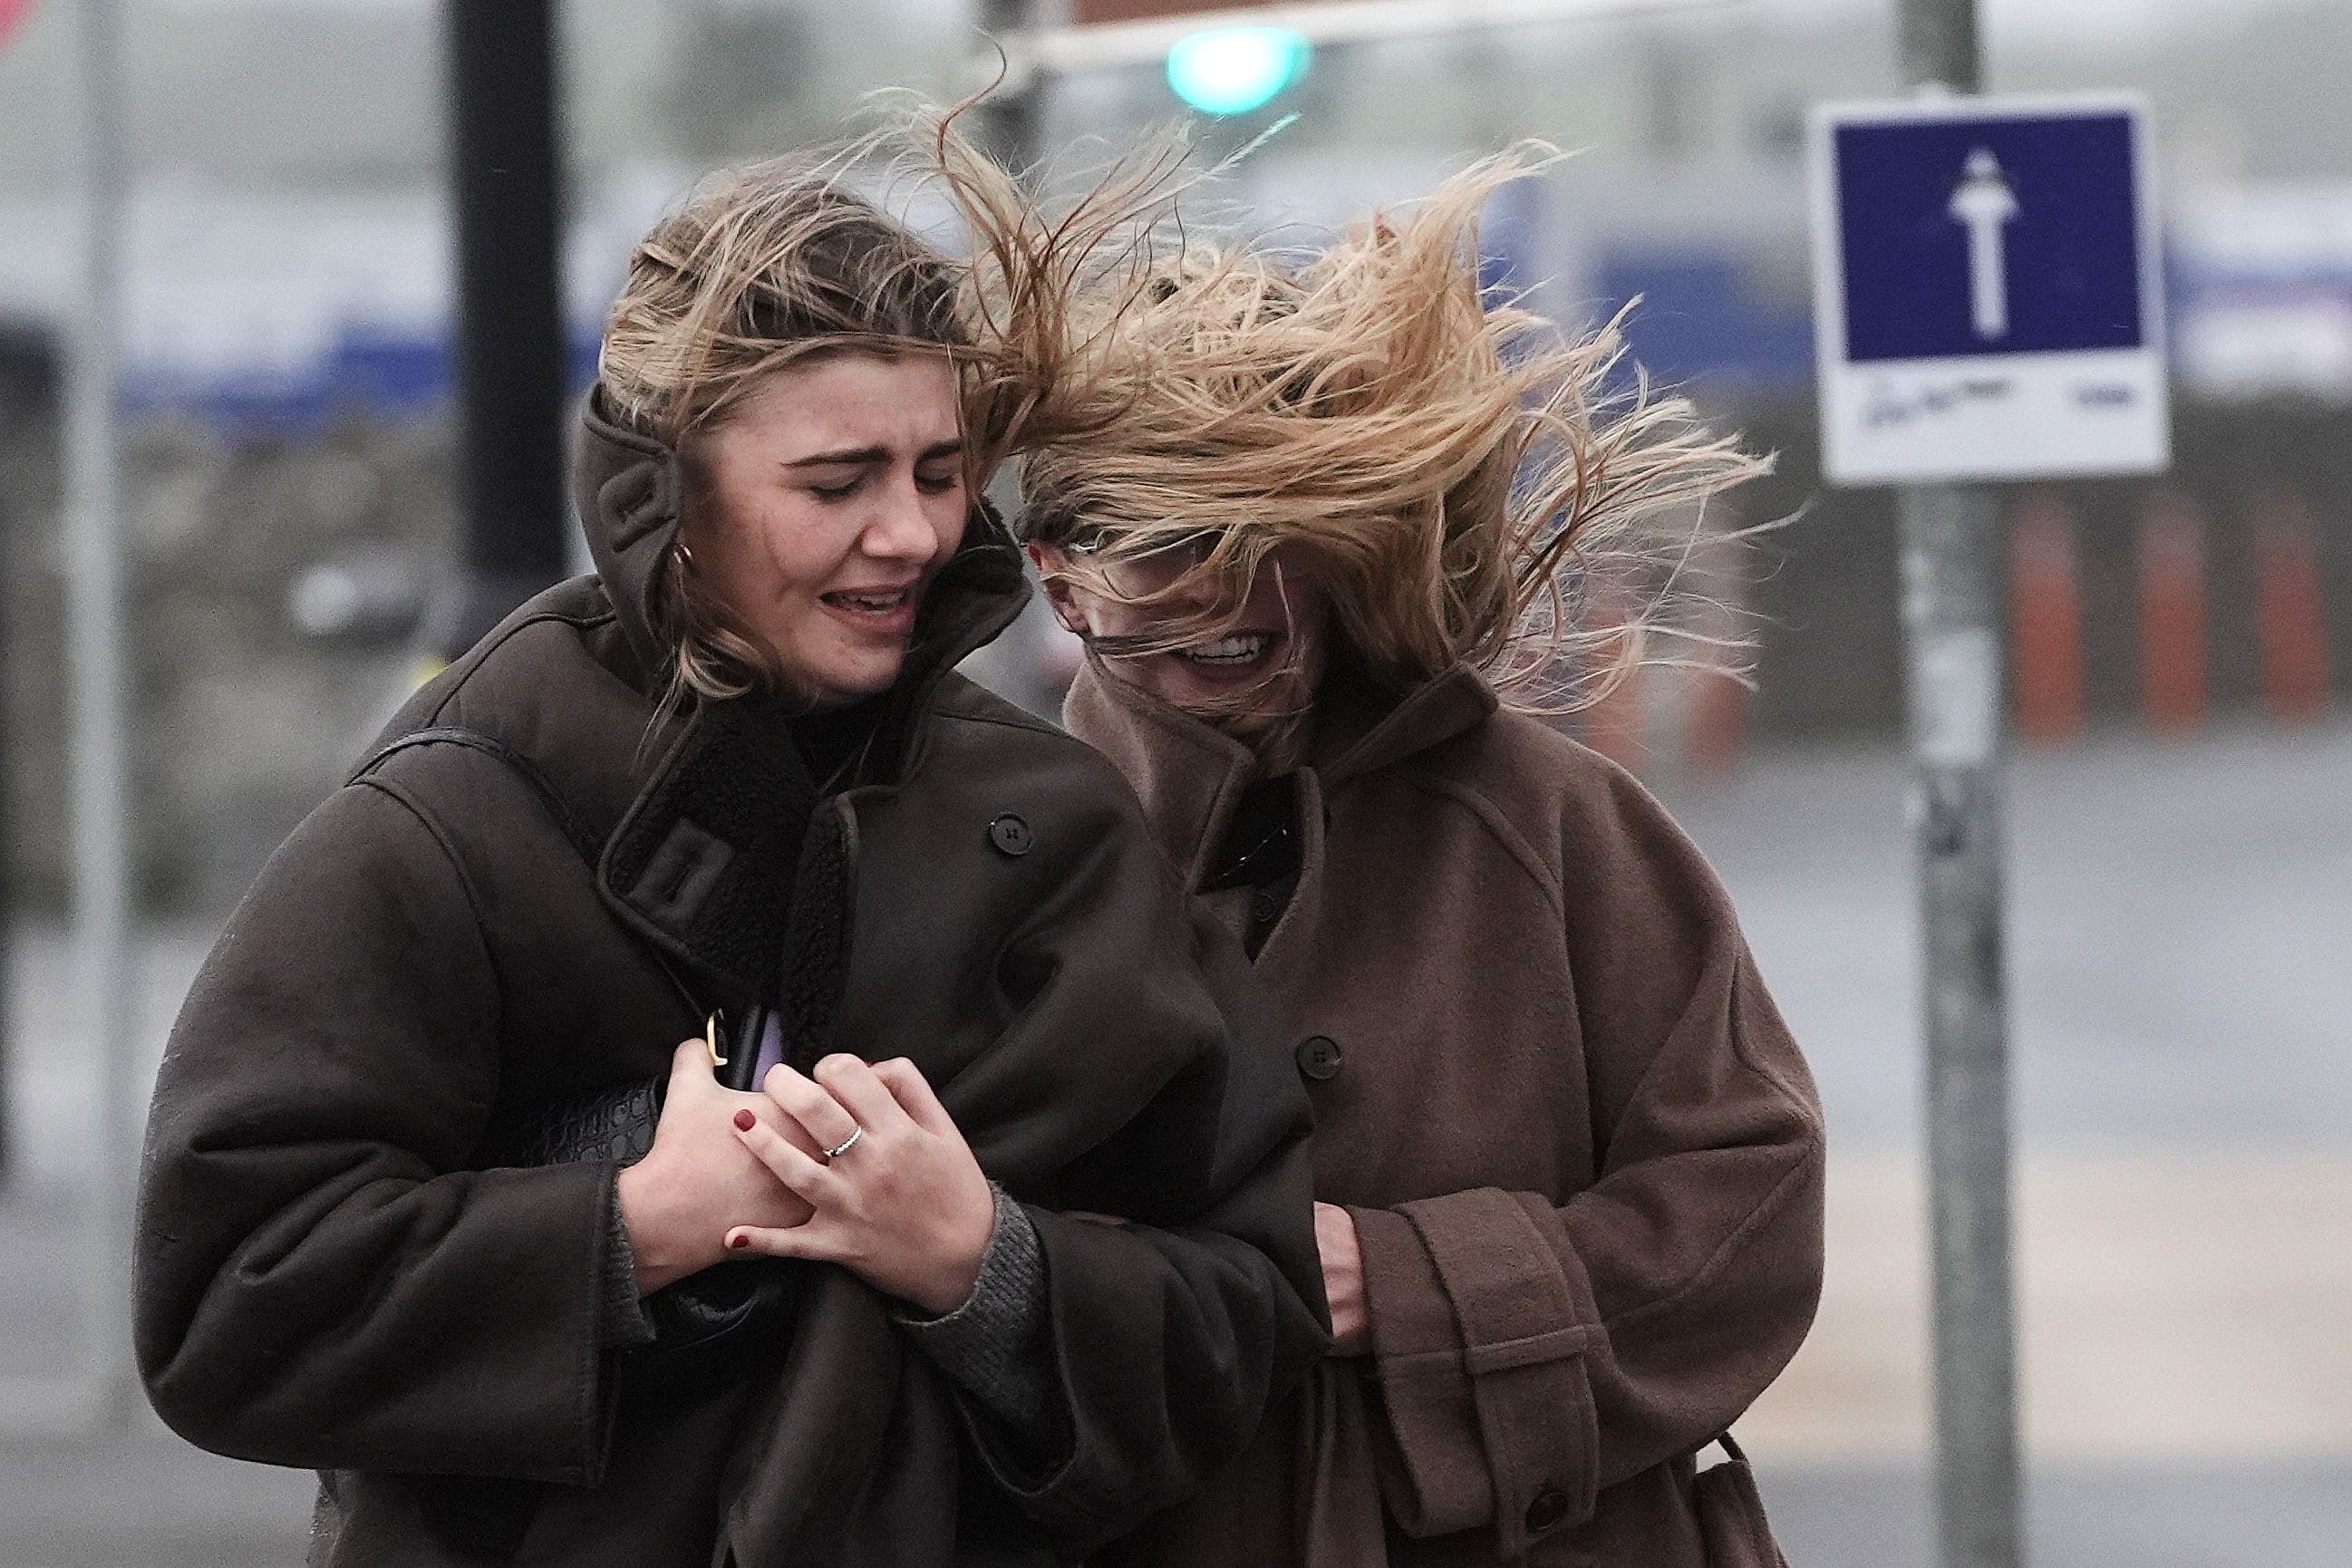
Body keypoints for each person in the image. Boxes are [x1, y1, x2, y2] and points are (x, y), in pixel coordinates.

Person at [135, 140, 1327, 1568]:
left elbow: (1249, 1305)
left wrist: (979, 1259)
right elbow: (228, 1295)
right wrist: (633, 1224)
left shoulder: (1060, 826)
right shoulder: (459, 813)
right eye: (837, 482)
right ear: (663, 497)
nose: (911, 533)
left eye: (941, 471)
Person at [1017, 150, 1826, 1568]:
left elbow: (1747, 1206)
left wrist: (1407, 1283)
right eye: (1175, 540)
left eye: (1286, 532)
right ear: (1058, 572)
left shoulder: (1553, 822)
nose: (1237, 587)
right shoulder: (984, 853)